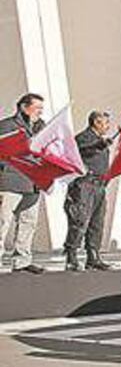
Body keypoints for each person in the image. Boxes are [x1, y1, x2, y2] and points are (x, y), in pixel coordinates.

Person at [0, 93, 46, 273]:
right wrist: (7, 166)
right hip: (11, 180)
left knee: (28, 221)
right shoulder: (7, 126)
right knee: (3, 221)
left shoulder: (42, 128)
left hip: (33, 182)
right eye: (37, 108)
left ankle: (22, 261)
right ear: (23, 107)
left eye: (42, 109)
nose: (40, 112)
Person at [64, 110, 115, 271]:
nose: (108, 126)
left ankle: (93, 256)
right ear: (96, 122)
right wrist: (100, 144)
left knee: (97, 222)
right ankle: (71, 255)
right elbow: (83, 150)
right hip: (84, 185)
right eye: (105, 123)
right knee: (79, 220)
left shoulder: (101, 140)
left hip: (100, 185)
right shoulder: (83, 137)